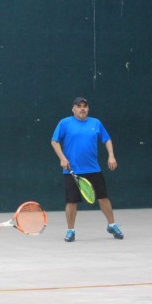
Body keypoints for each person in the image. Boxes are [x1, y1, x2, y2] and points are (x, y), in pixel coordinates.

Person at [51, 97, 124, 242]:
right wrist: (62, 158)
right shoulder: (64, 123)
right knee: (71, 202)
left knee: (103, 198)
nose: (82, 109)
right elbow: (54, 141)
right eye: (79, 106)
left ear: (88, 108)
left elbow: (107, 139)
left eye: (85, 106)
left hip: (93, 169)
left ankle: (112, 225)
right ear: (73, 109)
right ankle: (70, 231)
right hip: (72, 171)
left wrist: (111, 155)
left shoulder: (96, 123)